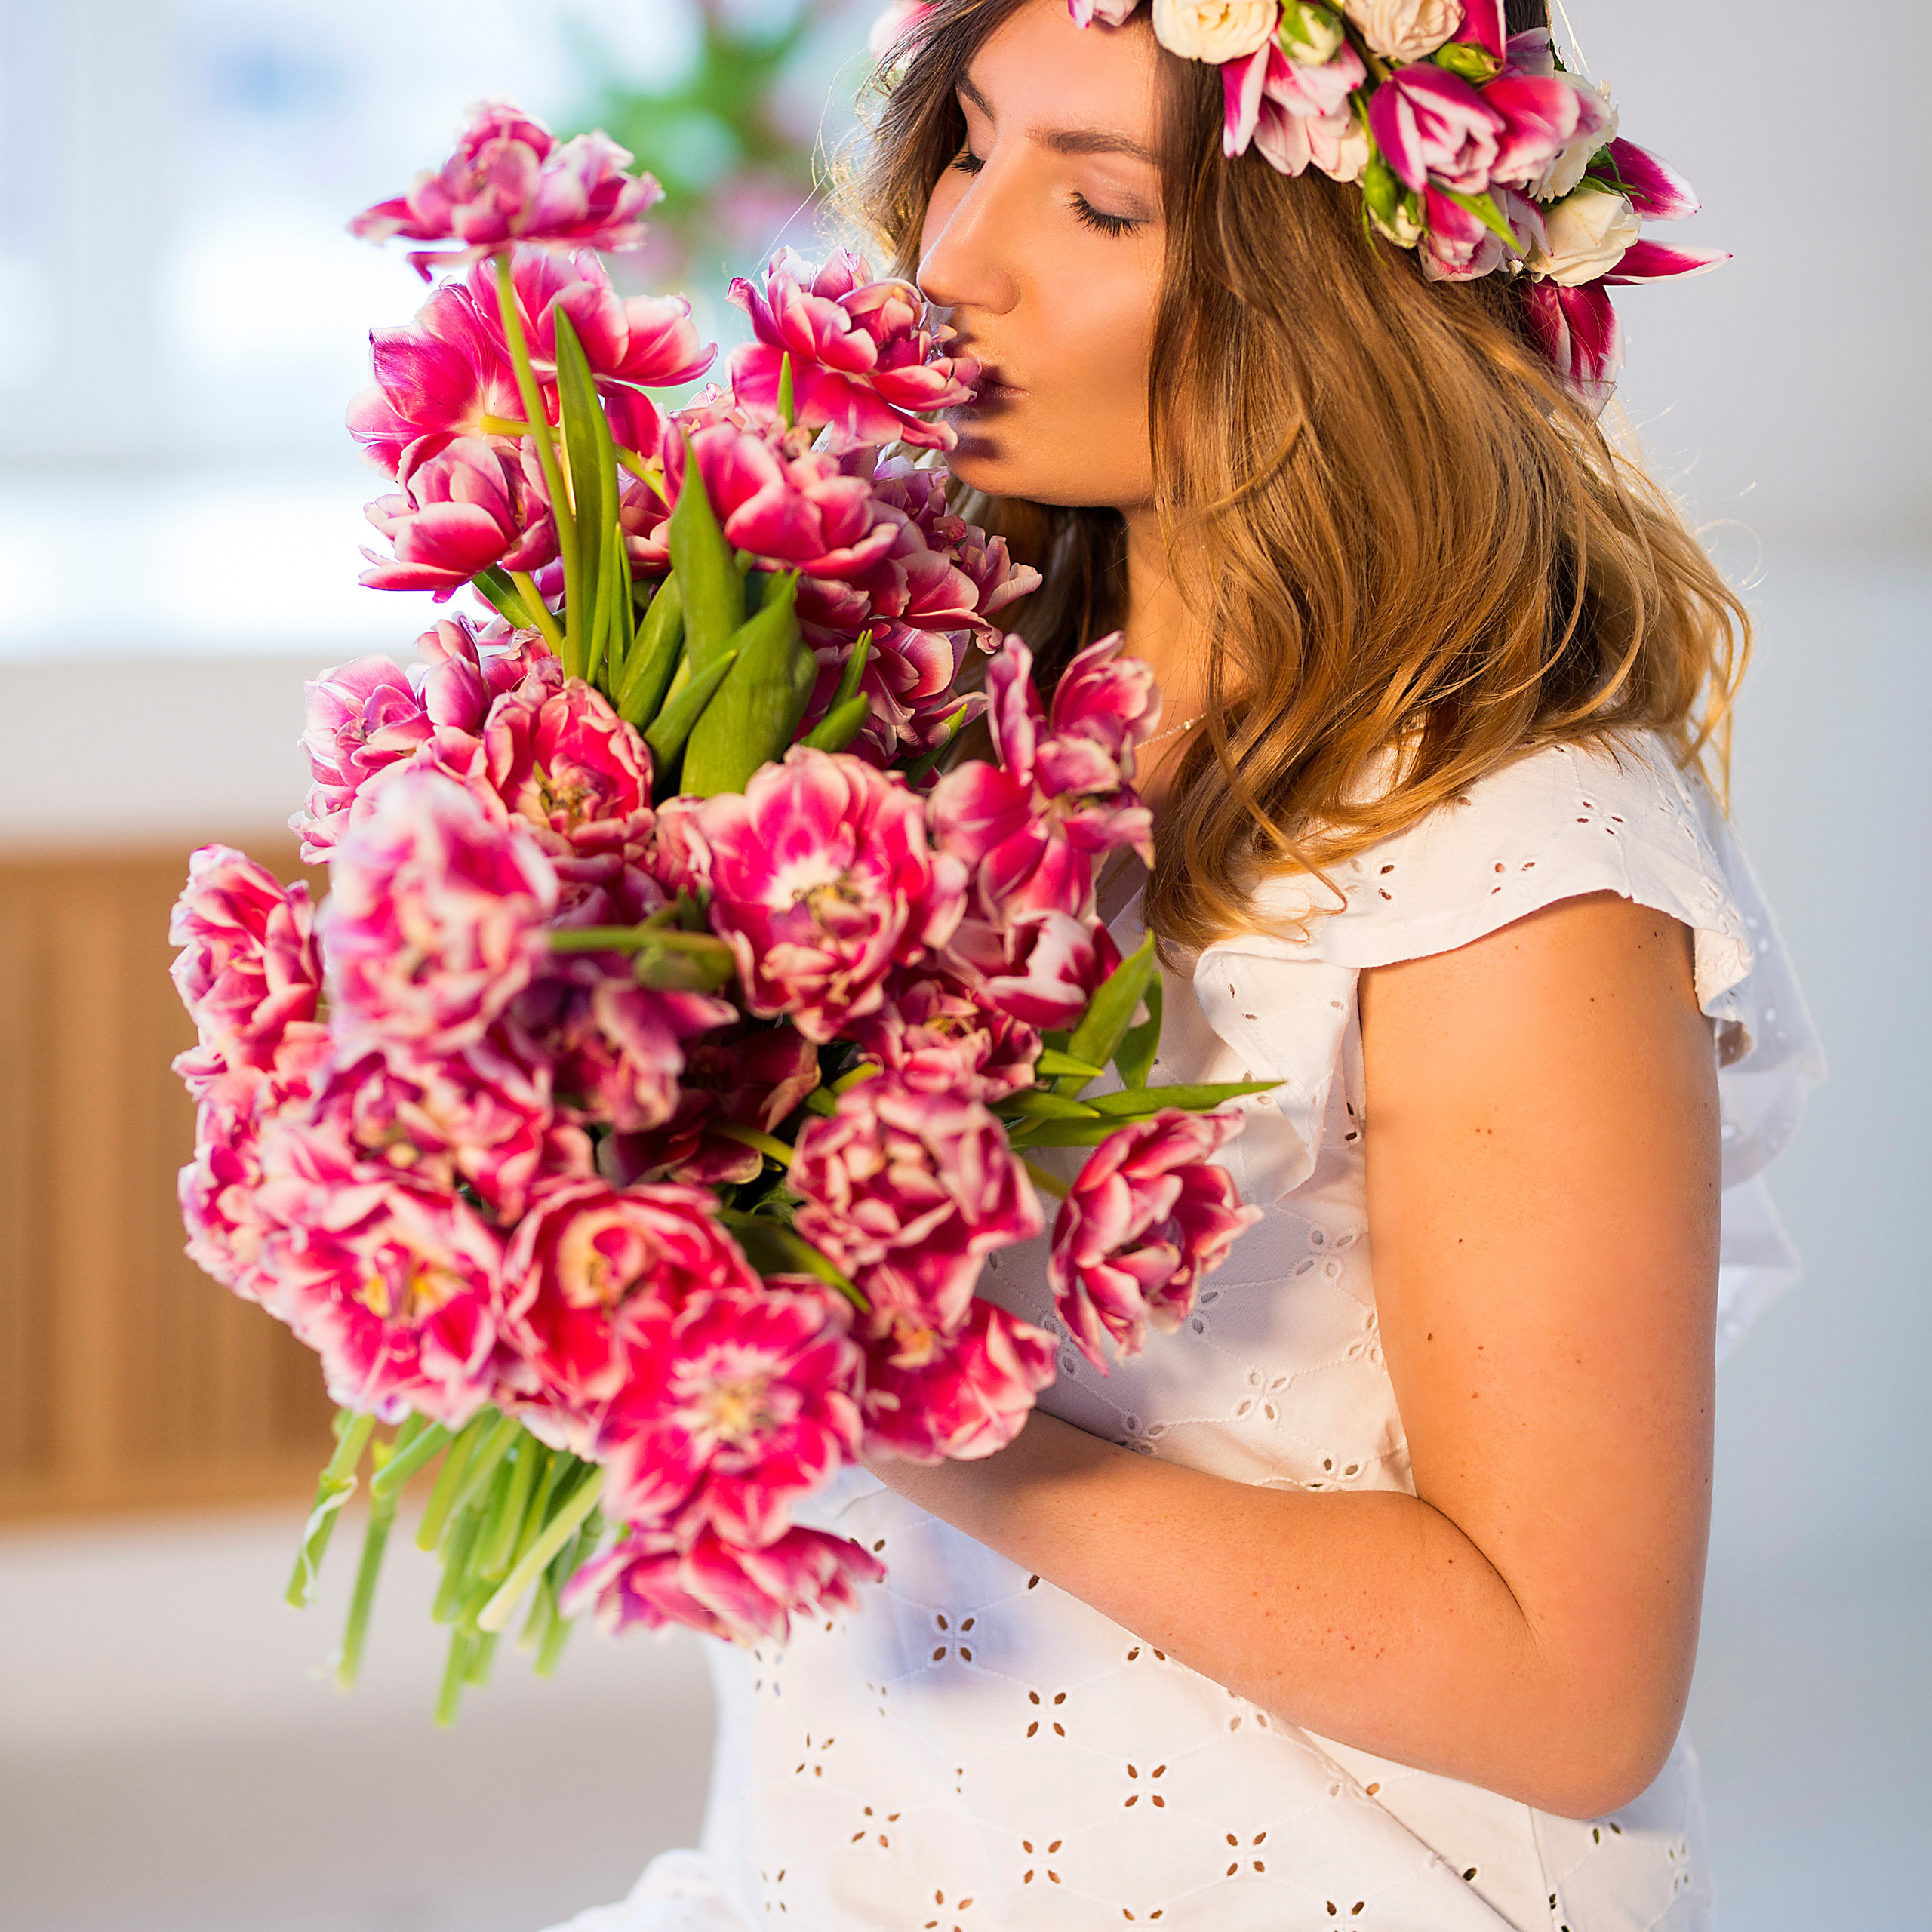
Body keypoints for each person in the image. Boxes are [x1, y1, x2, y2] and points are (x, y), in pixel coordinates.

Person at [549, 2, 1821, 1925]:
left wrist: (878, 1386)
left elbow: (1571, 1690)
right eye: (969, 146)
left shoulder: (1509, 844)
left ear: (1327, 299)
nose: (954, 258)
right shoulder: (924, 695)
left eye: (1103, 208)